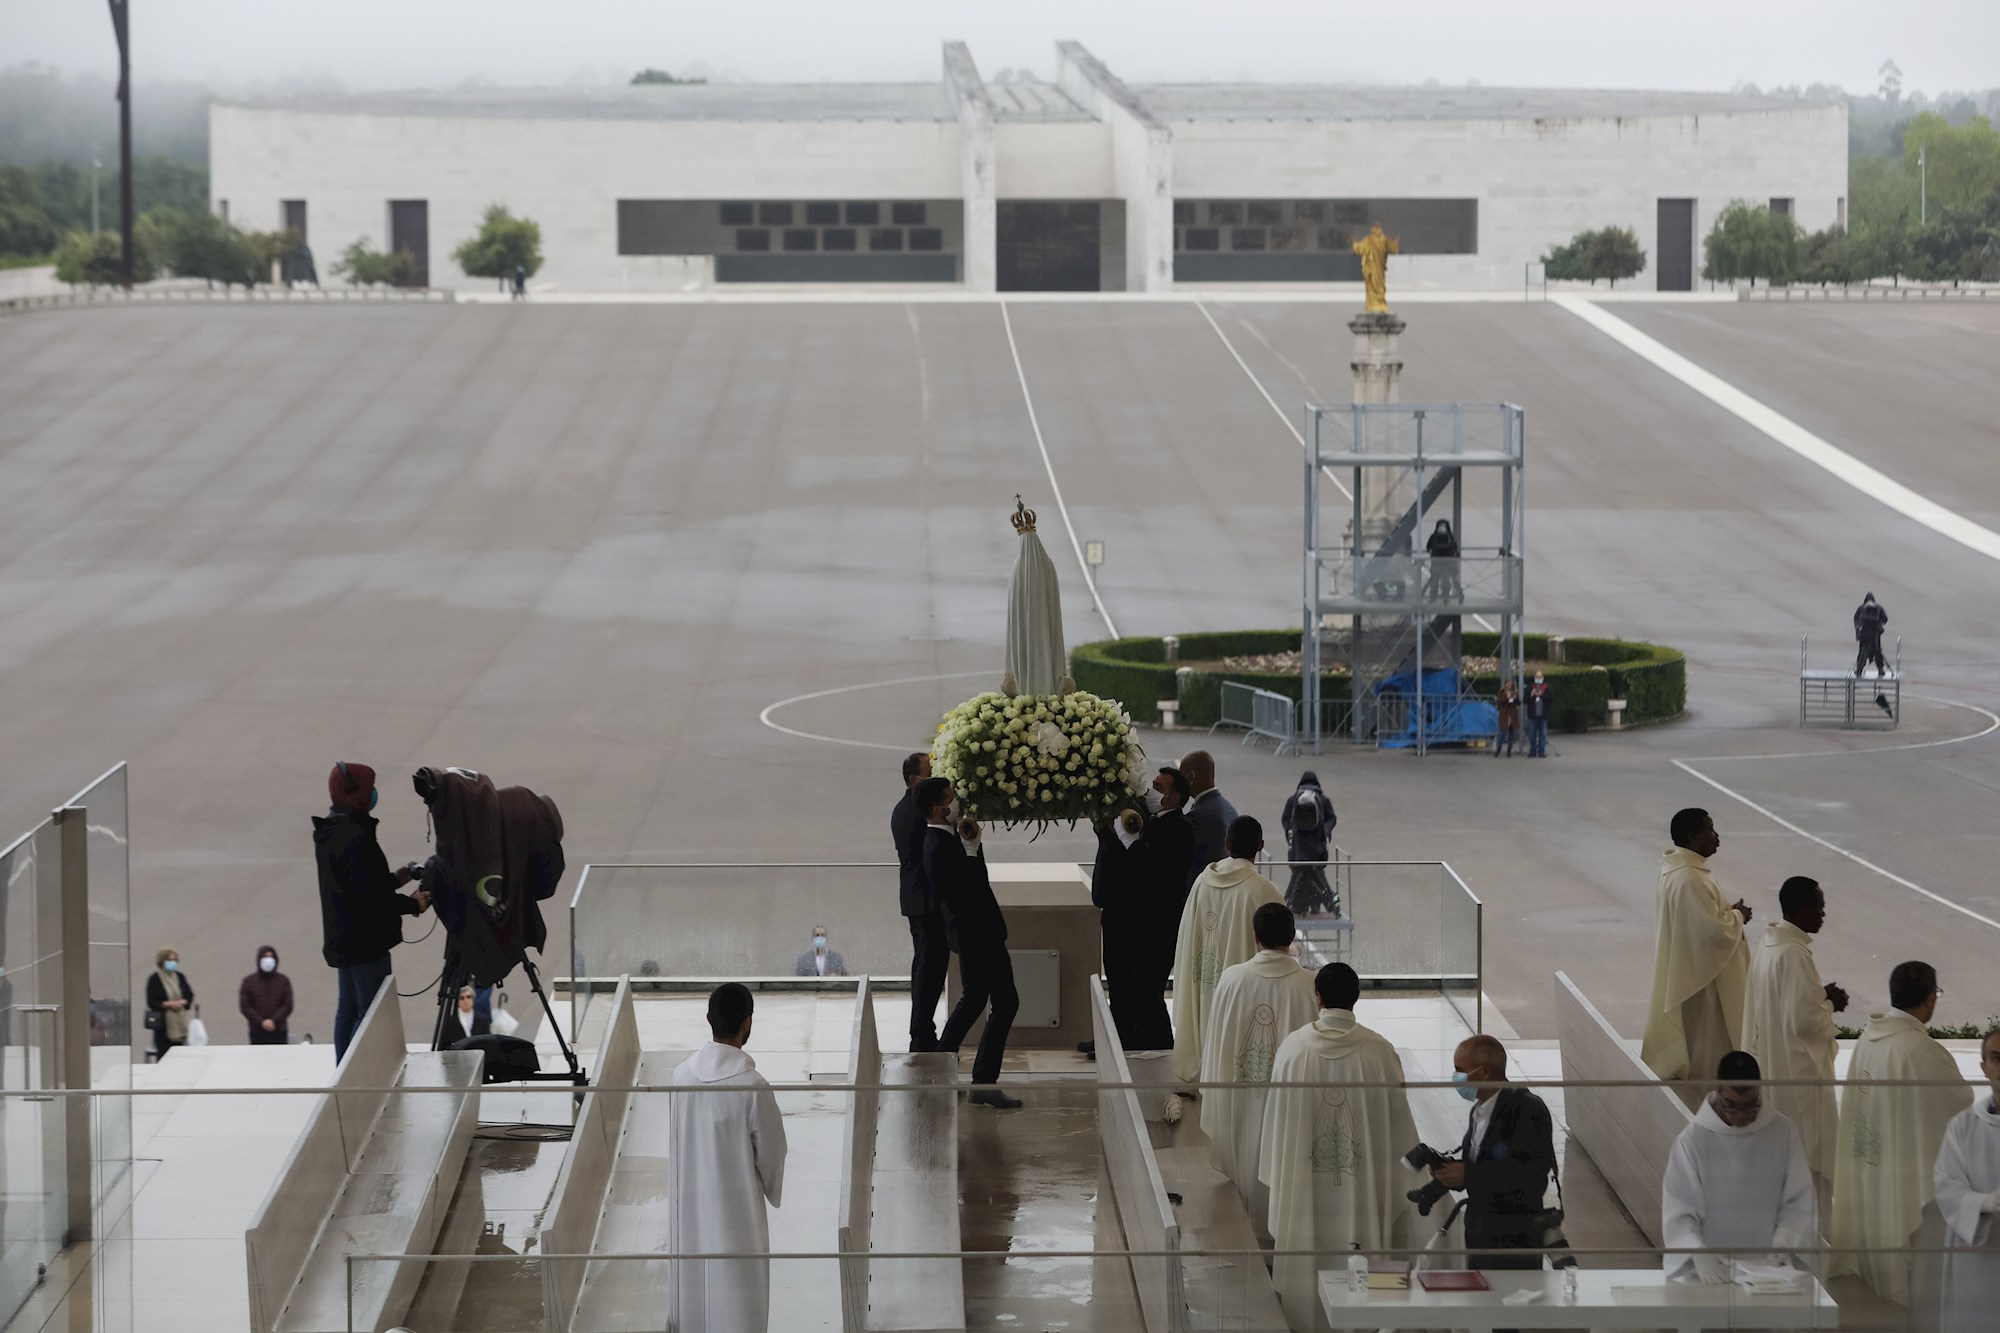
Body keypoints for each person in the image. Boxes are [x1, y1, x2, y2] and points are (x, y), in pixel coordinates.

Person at [1259, 962, 1417, 1333]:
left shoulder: (1293, 1050)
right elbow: (1400, 1134)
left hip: (1303, 1189)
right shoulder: (1379, 1053)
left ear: (1317, 998)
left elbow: (1275, 1128)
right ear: (1357, 998)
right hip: (1362, 1193)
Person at [1830, 961, 1966, 1308]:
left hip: (1874, 1163)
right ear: (1930, 999)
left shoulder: (1867, 1040)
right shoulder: (1920, 1051)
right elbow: (1962, 1104)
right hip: (1902, 1169)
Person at [667, 982, 787, 1333]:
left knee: (692, 1301)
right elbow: (773, 1154)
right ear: (748, 1022)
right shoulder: (753, 1086)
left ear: (709, 1018)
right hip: (737, 1219)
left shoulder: (681, 1075)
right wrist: (770, 1185)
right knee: (738, 1303)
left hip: (688, 1211)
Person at [1201, 902, 1317, 1223]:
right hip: (1294, 1099)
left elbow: (1217, 1042)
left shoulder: (1232, 978)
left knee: (1246, 1154)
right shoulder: (1311, 984)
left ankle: (1245, 1231)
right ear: (1292, 936)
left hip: (1240, 1092)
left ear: (1254, 937)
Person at [1661, 1051, 1816, 1282]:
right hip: (1710, 1270)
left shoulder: (1782, 1131)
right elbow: (1679, 1206)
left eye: (1750, 1105)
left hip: (1770, 1268)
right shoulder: (1693, 1139)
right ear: (1718, 1091)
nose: (1742, 1115)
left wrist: (1780, 1248)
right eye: (1731, 1105)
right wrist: (1698, 1252)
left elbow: (1799, 1199)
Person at [1742, 876, 1846, 1215]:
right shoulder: (1794, 955)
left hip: (1774, 1069)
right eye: (1820, 906)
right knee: (1809, 1171)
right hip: (1798, 1082)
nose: (1823, 914)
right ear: (1802, 909)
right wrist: (1831, 1005)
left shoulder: (1769, 947)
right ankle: (1815, 1256)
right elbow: (1804, 1023)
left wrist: (1821, 997)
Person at [917, 777, 1020, 1108]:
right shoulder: (937, 844)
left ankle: (950, 1075)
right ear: (939, 808)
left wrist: (971, 846)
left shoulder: (950, 838)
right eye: (951, 798)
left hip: (979, 932)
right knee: (1000, 1001)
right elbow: (966, 889)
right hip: (976, 933)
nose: (958, 802)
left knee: (978, 999)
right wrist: (973, 851)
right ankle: (978, 1081)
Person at [315, 762, 429, 1062]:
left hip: (346, 937)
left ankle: (344, 1073)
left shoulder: (331, 832)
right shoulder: (356, 837)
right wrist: (412, 904)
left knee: (348, 1010)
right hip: (367, 942)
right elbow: (371, 898)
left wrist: (399, 878)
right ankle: (362, 1076)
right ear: (358, 794)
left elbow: (361, 886)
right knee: (371, 1017)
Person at [1641, 808, 1751, 1093]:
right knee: (1710, 1048)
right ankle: (1713, 1100)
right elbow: (1707, 936)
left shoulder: (1680, 871)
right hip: (1703, 984)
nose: (1717, 837)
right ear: (1692, 836)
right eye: (1710, 830)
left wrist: (1729, 914)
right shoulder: (1689, 879)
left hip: (1695, 973)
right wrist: (1738, 916)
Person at [1429, 1034, 1557, 1277]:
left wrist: (1469, 1174)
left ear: (1484, 1073)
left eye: (1460, 1070)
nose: (1456, 1077)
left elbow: (1530, 1177)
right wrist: (1453, 1173)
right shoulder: (1479, 1111)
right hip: (1480, 1235)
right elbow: (1482, 1166)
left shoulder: (1527, 1110)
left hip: (1514, 1240)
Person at [1170, 817, 1285, 1083]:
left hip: (1204, 982)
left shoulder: (1202, 882)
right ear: (1260, 845)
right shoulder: (1263, 890)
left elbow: (1187, 935)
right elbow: (1281, 947)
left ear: (1226, 843)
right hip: (1244, 991)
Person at [1105, 766, 1193, 1052]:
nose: (1151, 792)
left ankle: (1161, 1048)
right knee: (1133, 988)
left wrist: (1132, 843)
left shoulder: (1179, 827)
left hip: (1159, 925)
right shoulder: (1153, 822)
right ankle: (1129, 1041)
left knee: (1148, 991)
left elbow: (1156, 871)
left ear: (1175, 797)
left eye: (1159, 787)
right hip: (1140, 922)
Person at [1933, 1027, 2000, 1332]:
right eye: (1997, 1059)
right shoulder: (1962, 1126)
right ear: (1984, 1067)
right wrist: (1985, 1202)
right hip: (1979, 1255)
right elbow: (1946, 1185)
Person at [892, 752, 947, 1053]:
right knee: (928, 970)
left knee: (928, 968)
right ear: (915, 780)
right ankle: (922, 1035)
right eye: (931, 771)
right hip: (924, 901)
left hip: (921, 900)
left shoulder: (909, 808)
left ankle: (923, 1031)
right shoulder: (914, 811)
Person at [1279, 772, 1338, 917]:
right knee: (1317, 875)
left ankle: (1296, 905)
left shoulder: (1293, 799)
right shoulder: (1323, 800)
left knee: (1298, 875)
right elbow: (1332, 818)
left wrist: (1290, 833)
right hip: (1317, 848)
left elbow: (1285, 819)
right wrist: (1325, 831)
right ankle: (1317, 905)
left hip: (1297, 849)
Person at [1178, 750, 1238, 890]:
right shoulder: (1229, 808)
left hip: (1203, 893)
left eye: (1180, 775)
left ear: (1191, 776)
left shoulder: (1200, 815)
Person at [145, 947, 194, 1062]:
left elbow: (189, 995)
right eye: (170, 960)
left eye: (175, 960)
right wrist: (169, 1004)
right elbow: (152, 1001)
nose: (173, 963)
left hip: (179, 1022)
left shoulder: (180, 977)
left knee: (180, 1056)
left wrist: (182, 1002)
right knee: (164, 1056)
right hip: (164, 1026)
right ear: (162, 961)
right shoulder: (155, 979)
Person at [238, 945, 292, 1046]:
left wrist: (274, 1020)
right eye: (265, 957)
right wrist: (261, 1022)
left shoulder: (283, 981)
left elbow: (288, 1005)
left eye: (271, 957)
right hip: (257, 1031)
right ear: (259, 959)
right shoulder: (248, 982)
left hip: (279, 1030)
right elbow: (245, 1006)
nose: (268, 960)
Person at [1424, 518, 1461, 601]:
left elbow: (1428, 548)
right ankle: (1444, 596)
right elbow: (1454, 549)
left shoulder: (1434, 537)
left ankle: (1434, 596)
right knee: (1444, 580)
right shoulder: (1450, 537)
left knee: (1436, 580)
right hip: (1446, 562)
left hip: (1437, 562)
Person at [1854, 591, 1889, 676]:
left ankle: (1859, 670)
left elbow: (1856, 619)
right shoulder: (1878, 608)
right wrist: (1879, 624)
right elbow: (1885, 619)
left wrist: (1859, 628)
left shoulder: (1861, 608)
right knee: (1877, 651)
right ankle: (1880, 669)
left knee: (1863, 652)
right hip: (1875, 634)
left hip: (1864, 634)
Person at [1523, 671, 1552, 758]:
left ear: (1542, 677)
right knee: (1532, 733)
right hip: (1533, 715)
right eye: (1537, 677)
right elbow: (1524, 700)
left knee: (1543, 733)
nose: (1538, 679)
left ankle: (1541, 751)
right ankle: (1532, 751)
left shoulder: (1547, 688)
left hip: (1543, 715)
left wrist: (1542, 695)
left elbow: (1550, 700)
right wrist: (1532, 695)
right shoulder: (1529, 688)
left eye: (1540, 677)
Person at [1494, 679, 1520, 758]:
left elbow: (1519, 702)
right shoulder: (1501, 692)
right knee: (1502, 733)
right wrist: (1506, 697)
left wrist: (1515, 698)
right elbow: (1499, 702)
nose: (1509, 686)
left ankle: (1509, 750)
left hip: (1512, 715)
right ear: (1505, 685)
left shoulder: (1514, 692)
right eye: (1507, 684)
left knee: (1511, 734)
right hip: (1504, 715)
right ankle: (1498, 749)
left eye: (1510, 684)